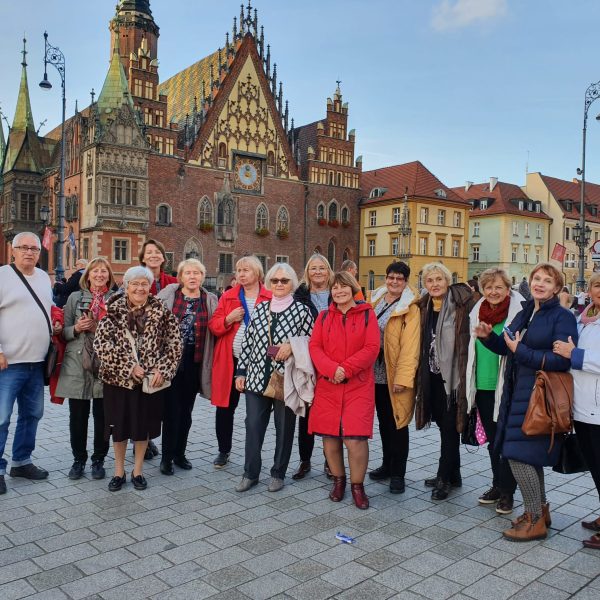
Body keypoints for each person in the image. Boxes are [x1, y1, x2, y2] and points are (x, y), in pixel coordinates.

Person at [475, 262, 577, 541]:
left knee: (518, 455)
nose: (540, 284)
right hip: (517, 392)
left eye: (547, 280)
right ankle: (540, 512)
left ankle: (534, 519)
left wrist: (521, 351)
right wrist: (488, 338)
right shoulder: (527, 310)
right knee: (527, 456)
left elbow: (561, 361)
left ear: (557, 288)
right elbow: (507, 346)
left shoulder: (562, 317)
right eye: (536, 278)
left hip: (539, 396)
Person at [94, 266, 182, 492]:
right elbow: (102, 345)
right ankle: (119, 472)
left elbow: (174, 344)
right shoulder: (112, 311)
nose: (140, 288)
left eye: (144, 284)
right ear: (126, 286)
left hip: (149, 382)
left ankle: (138, 471)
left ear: (150, 287)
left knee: (142, 427)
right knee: (119, 428)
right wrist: (129, 367)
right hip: (118, 381)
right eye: (135, 284)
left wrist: (162, 369)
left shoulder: (161, 311)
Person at [234, 263, 313, 493]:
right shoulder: (261, 308)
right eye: (275, 280)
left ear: (292, 284)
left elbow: (312, 341)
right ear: (269, 283)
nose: (279, 284)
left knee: (284, 428)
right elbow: (248, 342)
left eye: (284, 280)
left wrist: (292, 345)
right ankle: (250, 473)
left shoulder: (302, 311)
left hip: (286, 379)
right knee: (253, 426)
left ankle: (278, 473)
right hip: (256, 377)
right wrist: (241, 372)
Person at [308, 272, 379, 509]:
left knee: (355, 438)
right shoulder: (324, 317)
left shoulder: (367, 314)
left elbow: (371, 348)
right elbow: (315, 347)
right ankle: (339, 481)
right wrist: (331, 369)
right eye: (335, 288)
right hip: (328, 385)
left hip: (358, 385)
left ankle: (357, 486)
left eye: (343, 287)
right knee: (330, 437)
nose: (339, 291)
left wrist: (345, 369)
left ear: (353, 288)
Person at [0, 233, 59, 495]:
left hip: (37, 362)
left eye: (34, 248)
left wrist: (56, 322)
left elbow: (48, 307)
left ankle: (21, 462)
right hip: (8, 364)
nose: (29, 252)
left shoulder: (44, 278)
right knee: (1, 418)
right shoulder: (2, 276)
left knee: (32, 415)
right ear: (12, 250)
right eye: (23, 247)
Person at [415, 262, 474, 500]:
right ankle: (454, 473)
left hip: (454, 378)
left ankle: (443, 477)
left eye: (439, 279)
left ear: (447, 281)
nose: (435, 284)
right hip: (432, 375)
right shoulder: (424, 306)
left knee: (450, 427)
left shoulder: (461, 304)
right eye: (430, 280)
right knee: (443, 424)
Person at [466, 268, 522, 514]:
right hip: (482, 384)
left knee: (506, 441)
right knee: (492, 441)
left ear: (508, 289)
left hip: (507, 386)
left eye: (499, 287)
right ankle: (497, 485)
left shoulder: (518, 312)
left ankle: (508, 493)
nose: (493, 291)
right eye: (488, 287)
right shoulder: (477, 310)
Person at [55, 258, 117, 480]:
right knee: (78, 417)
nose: (99, 275)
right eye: (95, 271)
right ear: (88, 275)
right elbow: (64, 333)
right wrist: (77, 328)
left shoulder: (116, 299)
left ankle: (98, 459)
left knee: (103, 417)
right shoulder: (74, 297)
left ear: (109, 276)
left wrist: (99, 327)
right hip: (77, 363)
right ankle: (78, 459)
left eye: (104, 271)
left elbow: (122, 334)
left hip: (106, 364)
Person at [208, 256, 271, 468]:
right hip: (230, 360)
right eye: (238, 270)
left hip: (258, 362)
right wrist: (229, 319)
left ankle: (253, 452)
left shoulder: (269, 296)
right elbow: (214, 326)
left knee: (256, 411)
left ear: (258, 273)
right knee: (225, 408)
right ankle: (223, 450)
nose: (241, 274)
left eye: (246, 270)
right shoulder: (229, 296)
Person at [553, 272, 600, 549]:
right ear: (589, 290)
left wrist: (575, 355)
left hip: (598, 408)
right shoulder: (584, 319)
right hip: (581, 407)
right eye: (597, 285)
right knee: (594, 466)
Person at [157, 259, 217, 474]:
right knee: (171, 411)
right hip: (170, 361)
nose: (192, 276)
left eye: (197, 273)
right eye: (188, 273)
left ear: (202, 276)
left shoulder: (209, 299)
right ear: (180, 277)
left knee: (186, 411)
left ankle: (180, 453)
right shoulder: (169, 297)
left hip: (195, 360)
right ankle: (166, 457)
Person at [368, 261, 420, 494]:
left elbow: (411, 346)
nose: (394, 281)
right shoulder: (377, 299)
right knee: (384, 421)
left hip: (395, 373)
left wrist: (403, 378)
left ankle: (398, 473)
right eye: (391, 277)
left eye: (400, 278)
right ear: (386, 278)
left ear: (406, 282)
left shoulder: (410, 307)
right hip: (375, 372)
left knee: (398, 423)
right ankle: (387, 465)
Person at [291, 253, 333, 480]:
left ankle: (330, 461)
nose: (318, 272)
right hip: (307, 359)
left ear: (328, 271)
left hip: (332, 359)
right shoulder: (299, 296)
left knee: (329, 413)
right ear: (307, 272)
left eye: (322, 268)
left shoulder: (338, 292)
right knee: (305, 412)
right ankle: (305, 460)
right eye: (313, 268)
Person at [138, 238, 177, 458]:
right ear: (143, 257)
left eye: (157, 252)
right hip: (142, 346)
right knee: (143, 397)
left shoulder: (172, 281)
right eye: (149, 252)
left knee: (162, 398)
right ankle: (142, 439)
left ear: (163, 257)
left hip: (167, 346)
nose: (153, 255)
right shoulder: (137, 279)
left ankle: (156, 441)